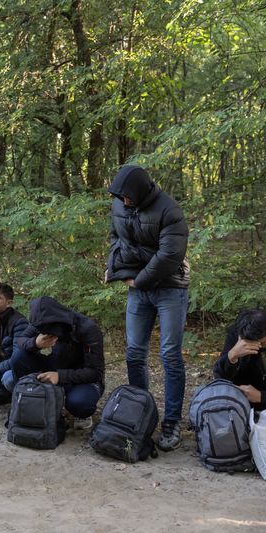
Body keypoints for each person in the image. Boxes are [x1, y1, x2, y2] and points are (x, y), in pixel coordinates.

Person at [106, 164, 190, 451]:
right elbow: (116, 239)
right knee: (134, 352)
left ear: (140, 191)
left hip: (170, 289)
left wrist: (138, 279)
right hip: (136, 288)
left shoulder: (169, 210)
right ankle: (140, 414)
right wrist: (115, 267)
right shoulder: (120, 204)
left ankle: (171, 422)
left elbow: (169, 256)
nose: (124, 201)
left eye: (128, 196)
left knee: (170, 355)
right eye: (121, 197)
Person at [13, 296, 105, 430]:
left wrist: (59, 376)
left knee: (80, 404)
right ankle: (30, 395)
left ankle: (78, 411)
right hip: (56, 365)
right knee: (19, 357)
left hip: (82, 378)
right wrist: (35, 343)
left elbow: (95, 372)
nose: (46, 333)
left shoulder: (87, 329)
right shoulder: (41, 321)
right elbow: (21, 340)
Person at [213, 309, 266, 409]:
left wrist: (261, 396)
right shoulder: (239, 333)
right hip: (240, 402)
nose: (257, 346)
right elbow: (219, 377)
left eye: (261, 343)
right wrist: (232, 355)